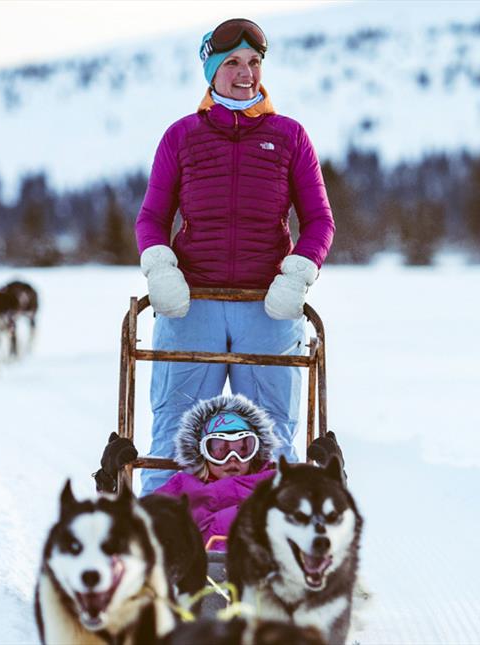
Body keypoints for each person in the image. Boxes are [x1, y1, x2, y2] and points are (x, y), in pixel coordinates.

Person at [135, 18, 336, 494]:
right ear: (211, 70)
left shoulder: (289, 137)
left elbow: (320, 222)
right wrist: (160, 267)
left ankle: (272, 534)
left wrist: (297, 276)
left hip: (267, 307)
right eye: (232, 63)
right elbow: (151, 218)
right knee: (175, 428)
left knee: (274, 433)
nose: (246, 73)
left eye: (254, 62)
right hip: (191, 305)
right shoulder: (181, 136)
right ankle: (161, 531)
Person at [94, 394, 346, 551]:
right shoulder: (183, 486)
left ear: (256, 451)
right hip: (197, 577)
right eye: (220, 449)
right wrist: (111, 485)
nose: (232, 459)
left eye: (243, 448)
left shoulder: (279, 484)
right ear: (201, 452)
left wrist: (333, 478)